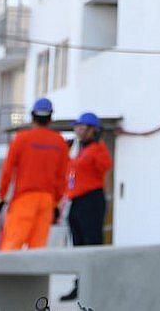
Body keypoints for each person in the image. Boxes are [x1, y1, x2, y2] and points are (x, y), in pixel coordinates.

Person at [0, 99, 69, 251]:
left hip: (24, 199)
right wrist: (56, 202)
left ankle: (6, 275)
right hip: (47, 201)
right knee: (38, 249)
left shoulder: (22, 139)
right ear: (50, 118)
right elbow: (62, 176)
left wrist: (1, 197)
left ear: (33, 116)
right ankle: (35, 275)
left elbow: (7, 170)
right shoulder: (60, 142)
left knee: (12, 245)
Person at [60, 112, 112, 302]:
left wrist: (98, 143)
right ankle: (80, 284)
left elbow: (105, 165)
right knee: (78, 244)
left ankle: (97, 283)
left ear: (93, 130)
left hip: (92, 199)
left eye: (84, 127)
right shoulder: (79, 149)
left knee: (92, 242)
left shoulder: (98, 148)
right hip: (77, 201)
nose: (79, 131)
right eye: (78, 127)